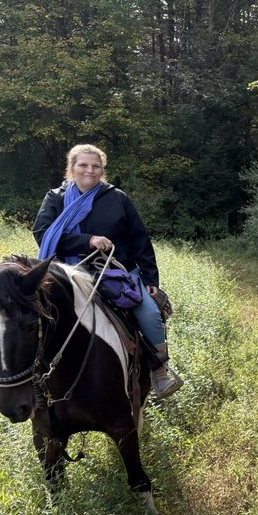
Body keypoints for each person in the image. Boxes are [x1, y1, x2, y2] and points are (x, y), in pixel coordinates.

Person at [32, 144, 182, 399]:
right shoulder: (55, 198)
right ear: (72, 168)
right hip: (67, 272)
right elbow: (43, 234)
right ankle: (25, 379)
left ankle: (160, 373)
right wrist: (87, 241)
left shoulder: (117, 198)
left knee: (148, 313)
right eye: (83, 165)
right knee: (28, 315)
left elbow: (139, 239)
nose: (90, 170)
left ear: (102, 170)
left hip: (115, 271)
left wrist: (149, 278)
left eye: (96, 166)